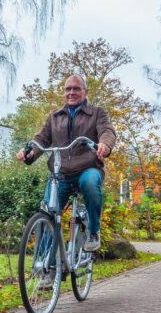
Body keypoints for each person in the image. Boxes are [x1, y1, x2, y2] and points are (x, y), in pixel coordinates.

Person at [17, 74, 115, 252]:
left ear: (85, 92)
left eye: (76, 88)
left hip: (88, 167)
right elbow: (41, 139)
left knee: (91, 183)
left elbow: (107, 131)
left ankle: (93, 231)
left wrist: (104, 145)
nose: (71, 92)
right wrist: (29, 152)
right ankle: (46, 267)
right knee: (48, 212)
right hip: (61, 172)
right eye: (68, 89)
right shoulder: (55, 117)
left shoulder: (97, 113)